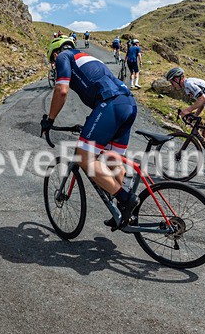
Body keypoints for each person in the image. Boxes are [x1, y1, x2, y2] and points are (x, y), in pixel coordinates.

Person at [40, 35, 139, 228]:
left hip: (110, 104)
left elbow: (61, 90)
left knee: (84, 159)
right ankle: (124, 212)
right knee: (113, 161)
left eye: (53, 60)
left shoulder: (64, 57)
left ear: (56, 52)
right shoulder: (85, 56)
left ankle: (126, 199)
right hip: (128, 103)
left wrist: (49, 120)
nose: (54, 64)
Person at [165, 67, 205, 174]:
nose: (172, 85)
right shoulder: (187, 87)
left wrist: (187, 110)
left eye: (172, 82)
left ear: (177, 79)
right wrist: (194, 116)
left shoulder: (189, 83)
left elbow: (204, 99)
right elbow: (201, 102)